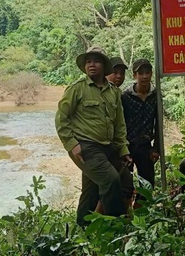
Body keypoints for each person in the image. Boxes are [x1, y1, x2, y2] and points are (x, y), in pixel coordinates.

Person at [55, 46, 133, 225]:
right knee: (111, 179)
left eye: (96, 61)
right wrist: (72, 144)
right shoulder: (77, 89)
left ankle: (83, 229)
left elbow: (119, 125)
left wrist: (123, 149)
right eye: (88, 61)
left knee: (92, 189)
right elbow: (61, 118)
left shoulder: (113, 92)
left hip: (107, 147)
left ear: (104, 66)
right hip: (85, 146)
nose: (91, 65)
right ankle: (116, 226)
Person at [122, 59, 160, 188]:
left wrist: (156, 148)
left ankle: (140, 208)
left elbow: (158, 123)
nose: (144, 76)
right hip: (127, 145)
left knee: (148, 185)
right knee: (125, 184)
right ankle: (126, 208)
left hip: (145, 146)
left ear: (151, 74)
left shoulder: (155, 96)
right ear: (134, 75)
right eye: (141, 73)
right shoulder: (126, 96)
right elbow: (119, 123)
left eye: (147, 72)